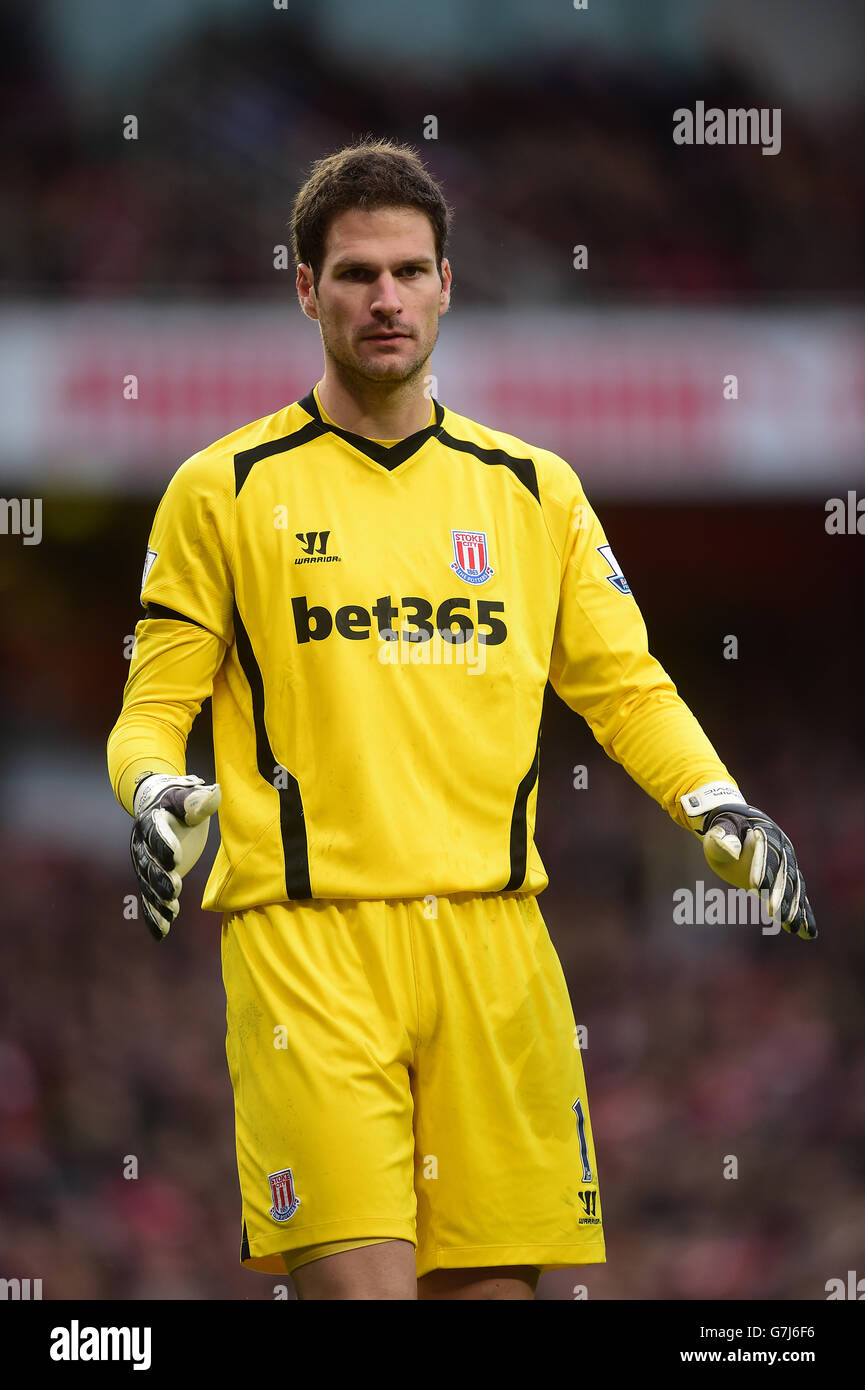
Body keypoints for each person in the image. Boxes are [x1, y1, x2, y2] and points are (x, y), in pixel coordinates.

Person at [107, 137, 816, 1302]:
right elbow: (150, 714)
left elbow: (624, 686)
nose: (384, 298)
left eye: (408, 271)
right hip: (309, 950)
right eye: (353, 274)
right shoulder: (223, 489)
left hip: (498, 954)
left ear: (448, 283)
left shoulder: (535, 490)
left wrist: (716, 800)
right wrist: (161, 793)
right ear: (304, 288)